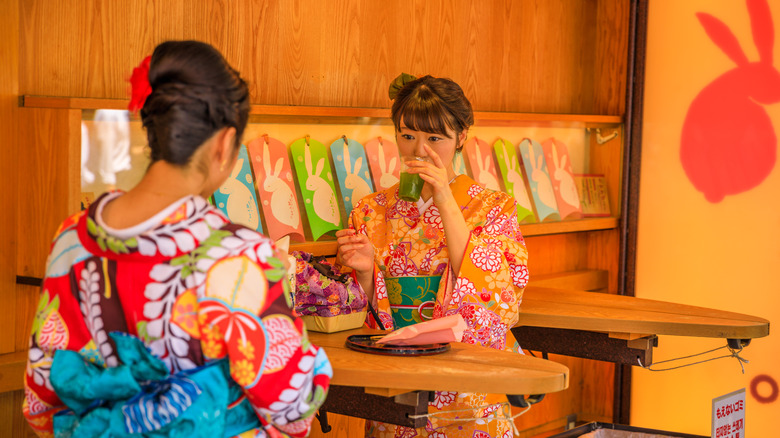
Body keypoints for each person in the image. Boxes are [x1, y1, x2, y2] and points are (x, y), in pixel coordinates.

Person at [23, 40, 331, 437]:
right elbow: (291, 403)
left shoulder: (71, 238)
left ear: (155, 133)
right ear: (224, 144)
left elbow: (41, 399)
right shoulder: (239, 255)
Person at [336, 74, 529, 438]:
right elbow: (358, 315)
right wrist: (363, 274)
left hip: (468, 394)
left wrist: (444, 198)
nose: (419, 150)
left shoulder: (494, 209)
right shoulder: (370, 211)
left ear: (462, 137)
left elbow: (500, 302)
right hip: (395, 394)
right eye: (407, 136)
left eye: (434, 138)